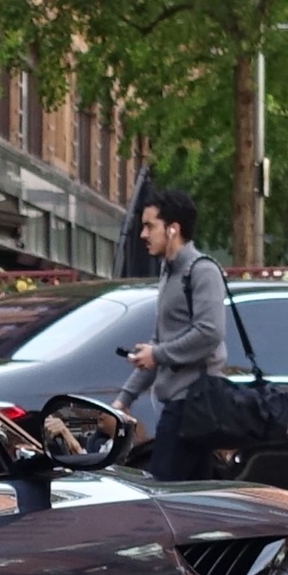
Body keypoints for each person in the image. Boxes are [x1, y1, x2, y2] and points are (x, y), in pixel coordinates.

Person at [114, 187, 227, 481]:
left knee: (162, 494)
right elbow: (158, 345)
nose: (142, 234)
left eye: (150, 225)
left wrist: (158, 354)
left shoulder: (202, 271)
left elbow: (210, 332)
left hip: (193, 406)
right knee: (191, 500)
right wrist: (125, 398)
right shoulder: (169, 272)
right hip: (178, 406)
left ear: (173, 229)